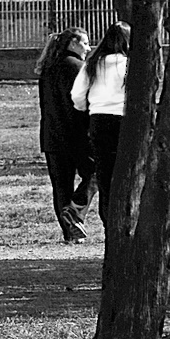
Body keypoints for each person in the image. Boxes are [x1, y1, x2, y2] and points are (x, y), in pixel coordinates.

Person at [36, 26, 97, 244]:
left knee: (61, 186)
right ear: (73, 43)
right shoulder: (79, 67)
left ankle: (70, 233)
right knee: (95, 172)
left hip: (52, 136)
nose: (88, 48)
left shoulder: (48, 68)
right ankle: (76, 210)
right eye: (85, 43)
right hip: (77, 135)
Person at [70, 21, 131, 228]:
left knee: (104, 173)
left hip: (99, 119)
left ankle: (108, 219)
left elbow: (77, 94)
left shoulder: (93, 62)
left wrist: (84, 108)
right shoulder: (129, 63)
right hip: (124, 119)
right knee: (126, 171)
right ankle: (126, 217)